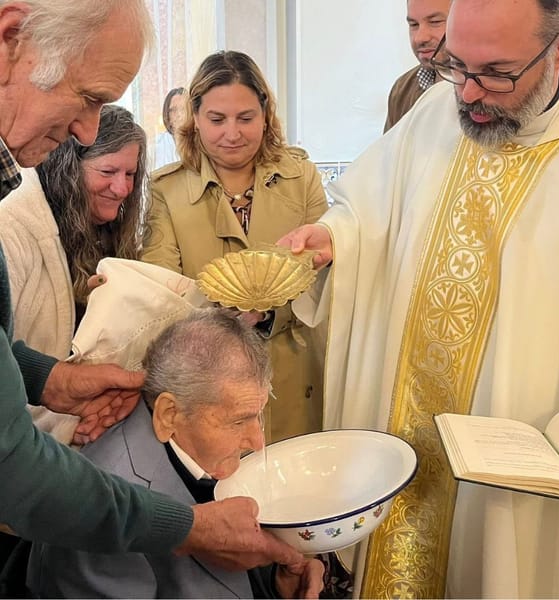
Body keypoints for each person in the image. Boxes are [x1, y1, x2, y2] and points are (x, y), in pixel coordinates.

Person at [279, 0, 559, 597]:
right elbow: (367, 210)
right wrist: (333, 238)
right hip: (405, 420)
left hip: (519, 436)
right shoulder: (433, 113)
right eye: (456, 65)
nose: (469, 94)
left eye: (496, 73)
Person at [0, 0, 305, 585]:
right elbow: (9, 462)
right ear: (11, 38)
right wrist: (188, 528)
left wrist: (48, 378)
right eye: (89, 97)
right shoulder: (17, 222)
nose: (88, 132)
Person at [27, 308, 324, 599]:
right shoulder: (103, 513)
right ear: (169, 414)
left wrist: (275, 581)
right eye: (238, 422)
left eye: (257, 415)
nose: (257, 441)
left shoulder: (205, 449)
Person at [142, 50, 329, 444]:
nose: (232, 133)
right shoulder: (165, 190)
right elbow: (160, 290)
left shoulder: (302, 178)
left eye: (245, 118)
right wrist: (221, 316)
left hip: (294, 375)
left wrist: (271, 313)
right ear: (194, 117)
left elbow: (325, 277)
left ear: (266, 114)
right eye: (217, 119)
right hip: (208, 382)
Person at [0, 104, 147, 444]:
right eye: (108, 171)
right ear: (68, 168)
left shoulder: (108, 230)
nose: (122, 188)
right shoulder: (12, 228)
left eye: (130, 174)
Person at [383, 0, 449, 132]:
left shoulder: (488, 88)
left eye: (435, 22)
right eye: (413, 24)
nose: (420, 38)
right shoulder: (403, 89)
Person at [154, 87, 186, 169]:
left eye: (183, 109)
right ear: (167, 115)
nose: (179, 114)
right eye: (174, 110)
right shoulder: (158, 144)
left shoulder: (201, 142)